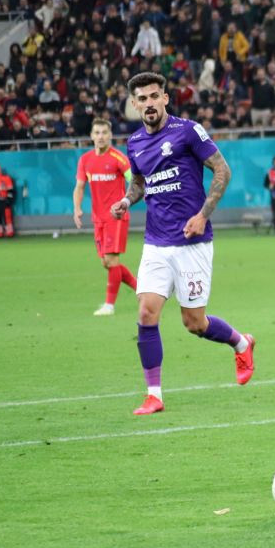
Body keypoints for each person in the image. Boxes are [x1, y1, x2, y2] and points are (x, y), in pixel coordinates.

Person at [110, 72, 255, 416]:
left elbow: (222, 171)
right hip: (156, 242)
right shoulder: (133, 144)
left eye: (154, 96)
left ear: (165, 98)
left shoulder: (188, 131)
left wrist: (204, 214)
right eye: (141, 99)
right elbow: (140, 183)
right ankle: (154, 394)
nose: (148, 103)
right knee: (146, 312)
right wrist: (127, 201)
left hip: (193, 242)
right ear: (134, 105)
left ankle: (241, 341)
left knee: (194, 323)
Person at [73, 119, 139, 315]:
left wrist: (125, 201)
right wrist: (77, 208)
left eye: (104, 133)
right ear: (92, 136)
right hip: (98, 218)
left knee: (111, 261)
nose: (100, 136)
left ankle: (109, 305)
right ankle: (142, 290)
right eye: (97, 133)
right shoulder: (85, 159)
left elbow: (135, 181)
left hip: (115, 217)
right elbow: (79, 186)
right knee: (106, 263)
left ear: (110, 135)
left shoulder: (119, 158)